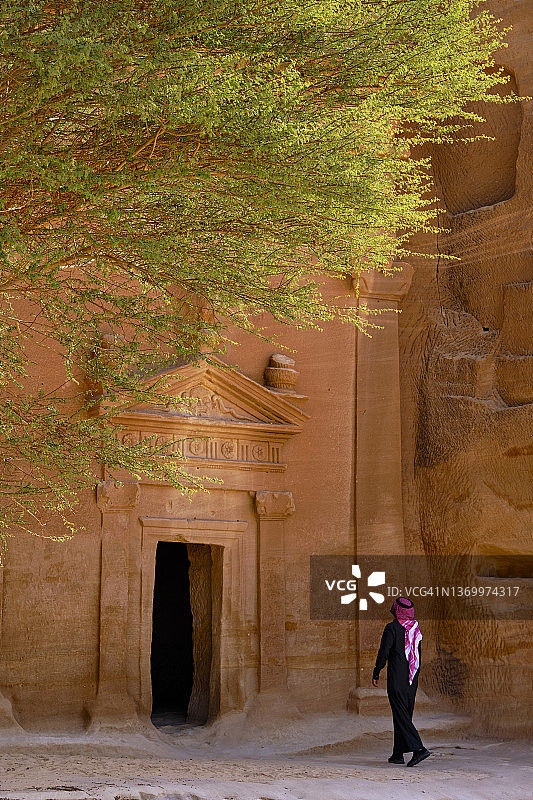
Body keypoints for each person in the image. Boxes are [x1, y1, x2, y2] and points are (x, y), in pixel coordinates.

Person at [372, 596, 431, 766]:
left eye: (394, 606)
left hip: (397, 678)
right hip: (411, 679)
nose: (391, 607)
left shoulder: (392, 628)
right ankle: (398, 754)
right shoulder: (415, 629)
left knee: (401, 715)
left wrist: (376, 671)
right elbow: (417, 657)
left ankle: (419, 749)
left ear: (398, 610)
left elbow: (384, 652)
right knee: (404, 714)